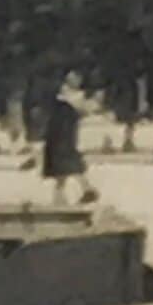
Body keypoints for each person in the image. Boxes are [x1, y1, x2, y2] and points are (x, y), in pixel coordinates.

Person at [43, 72, 98, 206]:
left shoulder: (70, 96)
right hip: (61, 131)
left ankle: (82, 190)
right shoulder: (70, 96)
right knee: (64, 164)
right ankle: (66, 195)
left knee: (65, 162)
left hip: (64, 132)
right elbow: (85, 109)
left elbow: (84, 109)